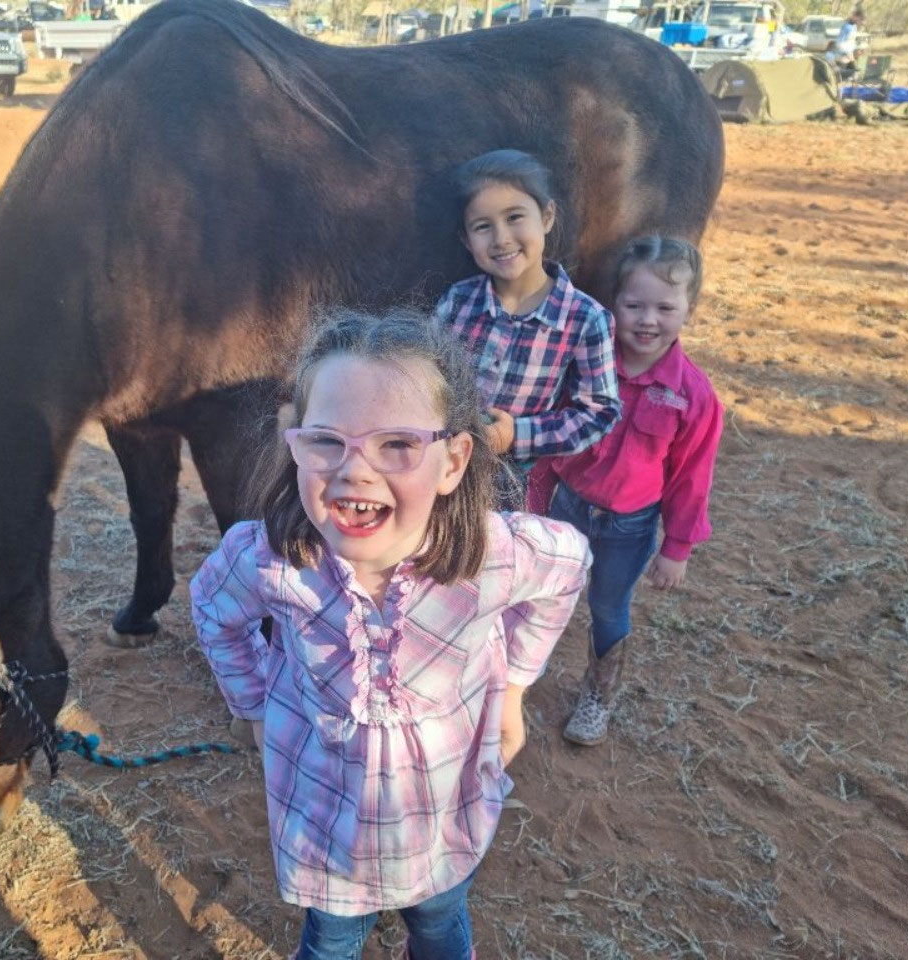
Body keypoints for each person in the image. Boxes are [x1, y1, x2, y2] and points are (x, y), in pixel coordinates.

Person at [190, 310, 590, 959]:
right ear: (295, 445)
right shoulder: (271, 560)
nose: (355, 471)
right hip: (330, 834)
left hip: (443, 823)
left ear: (454, 461)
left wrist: (515, 686)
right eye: (327, 441)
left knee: (438, 924)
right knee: (331, 940)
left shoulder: (495, 556)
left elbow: (569, 567)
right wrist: (254, 705)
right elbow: (213, 608)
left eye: (397, 444)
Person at [527, 236, 724, 746]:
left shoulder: (694, 396)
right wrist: (536, 497)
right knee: (541, 591)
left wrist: (676, 547)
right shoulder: (586, 364)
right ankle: (520, 671)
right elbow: (553, 432)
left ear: (689, 309)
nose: (647, 320)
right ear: (614, 302)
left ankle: (598, 692)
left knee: (608, 606)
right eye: (634, 305)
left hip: (629, 526)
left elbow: (692, 477)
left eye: (665, 308)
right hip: (568, 507)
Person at [435, 149, 620, 501]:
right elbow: (426, 375)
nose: (501, 238)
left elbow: (599, 412)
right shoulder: (456, 302)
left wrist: (516, 435)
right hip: (442, 464)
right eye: (483, 226)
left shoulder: (585, 318)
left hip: (510, 480)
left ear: (547, 217)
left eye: (515, 217)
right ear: (466, 239)